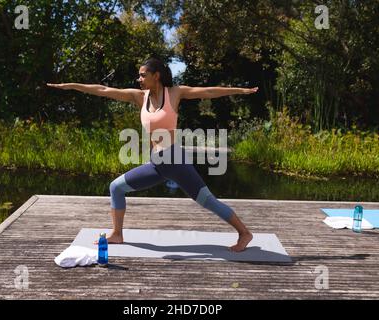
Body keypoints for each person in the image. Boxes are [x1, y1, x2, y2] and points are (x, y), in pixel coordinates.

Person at [47, 57, 258, 252]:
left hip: (175, 161)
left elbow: (208, 92)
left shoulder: (174, 93)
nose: (139, 79)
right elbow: (103, 89)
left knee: (207, 200)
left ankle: (245, 233)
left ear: (156, 75)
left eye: (142, 75)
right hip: (157, 163)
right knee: (116, 187)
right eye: (139, 75)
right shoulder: (139, 97)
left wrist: (240, 91)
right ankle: (117, 234)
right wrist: (72, 86)